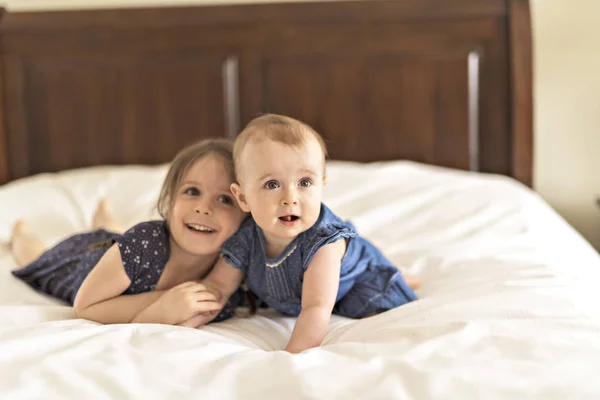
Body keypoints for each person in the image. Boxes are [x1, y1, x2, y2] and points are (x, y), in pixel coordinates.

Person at [194, 114, 420, 353]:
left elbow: (316, 309)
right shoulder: (246, 238)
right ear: (242, 197)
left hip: (354, 281)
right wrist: (182, 315)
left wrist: (290, 357)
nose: (290, 198)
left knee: (374, 307)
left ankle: (398, 277)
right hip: (302, 293)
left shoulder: (324, 244)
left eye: (304, 182)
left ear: (321, 184)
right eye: (272, 184)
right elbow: (217, 287)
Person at [9, 138, 247, 327]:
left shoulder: (232, 270)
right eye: (192, 191)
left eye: (225, 199)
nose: (203, 208)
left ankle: (104, 219)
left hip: (120, 253)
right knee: (36, 255)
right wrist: (163, 308)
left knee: (114, 235)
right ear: (169, 199)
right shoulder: (144, 241)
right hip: (84, 261)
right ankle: (21, 231)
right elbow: (84, 308)